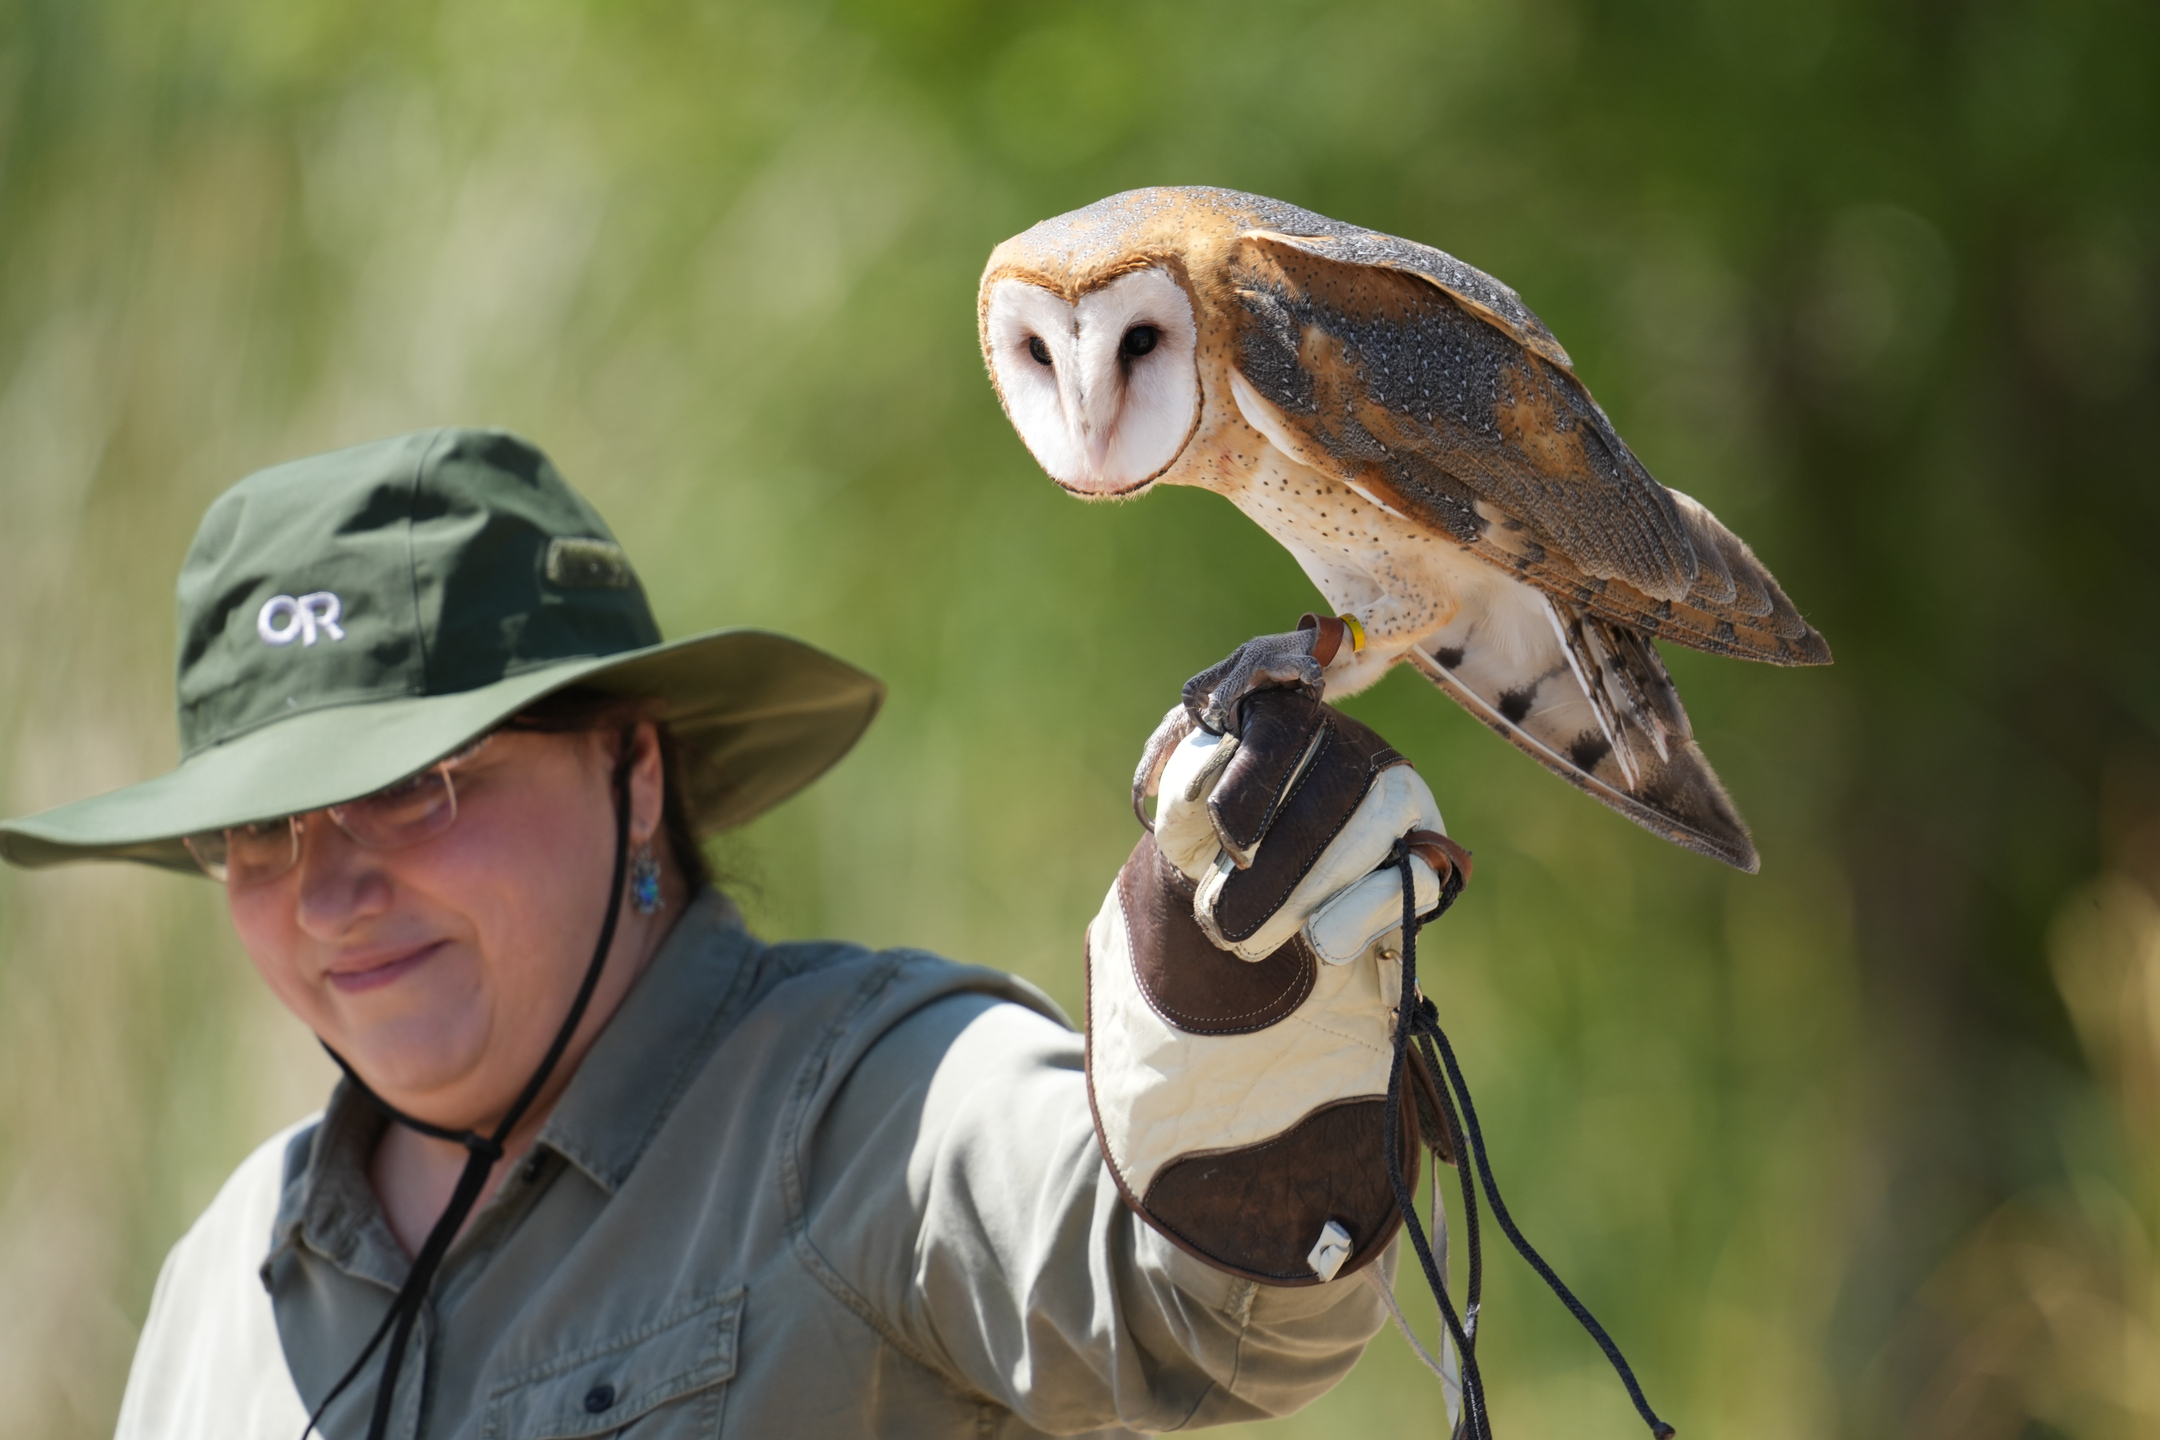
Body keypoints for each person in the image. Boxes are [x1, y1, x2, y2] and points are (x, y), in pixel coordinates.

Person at [0, 427, 1467, 1440]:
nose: (324, 893)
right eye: (257, 832)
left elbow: (1209, 1316)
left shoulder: (872, 1104)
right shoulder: (227, 1274)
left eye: (414, 792)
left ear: (634, 775)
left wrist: (1242, 1058)